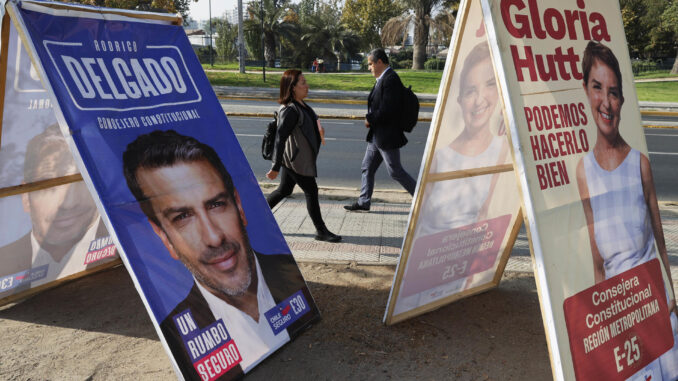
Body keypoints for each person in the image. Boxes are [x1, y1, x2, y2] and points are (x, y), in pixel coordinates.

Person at [122, 130, 319, 379]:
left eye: (216, 204)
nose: (215, 237)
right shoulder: (177, 335)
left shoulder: (292, 280)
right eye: (182, 217)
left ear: (238, 206)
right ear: (164, 238)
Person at [575, 40, 678, 380]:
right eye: (597, 87)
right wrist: (604, 324)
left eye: (614, 92)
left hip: (654, 306)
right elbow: (597, 260)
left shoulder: (640, 165)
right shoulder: (583, 171)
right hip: (619, 317)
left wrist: (672, 294)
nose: (606, 102)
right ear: (586, 92)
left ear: (621, 100)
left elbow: (660, 241)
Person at [0, 124, 110, 295]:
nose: (68, 204)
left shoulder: (127, 246)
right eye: (48, 186)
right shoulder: (4, 264)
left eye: (80, 182)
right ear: (25, 197)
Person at [417, 42, 509, 236]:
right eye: (470, 91)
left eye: (490, 85)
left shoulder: (502, 148)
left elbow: (486, 212)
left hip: (467, 253)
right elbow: (417, 222)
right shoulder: (439, 157)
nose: (480, 99)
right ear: (459, 100)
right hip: (428, 255)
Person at [266, 69, 341, 243]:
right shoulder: (291, 110)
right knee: (311, 191)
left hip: (298, 158)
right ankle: (321, 231)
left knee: (284, 190)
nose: (307, 86)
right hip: (295, 161)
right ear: (292, 88)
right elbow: (280, 138)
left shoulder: (302, 105)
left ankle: (254, 219)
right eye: (303, 83)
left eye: (306, 82)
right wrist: (276, 166)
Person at [344, 48, 416, 212]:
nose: (369, 67)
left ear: (380, 62)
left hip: (387, 135)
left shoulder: (391, 79)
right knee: (367, 167)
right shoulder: (383, 79)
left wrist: (370, 119)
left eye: (370, 64)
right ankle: (364, 202)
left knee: (395, 171)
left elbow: (388, 109)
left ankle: (422, 198)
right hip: (377, 135)